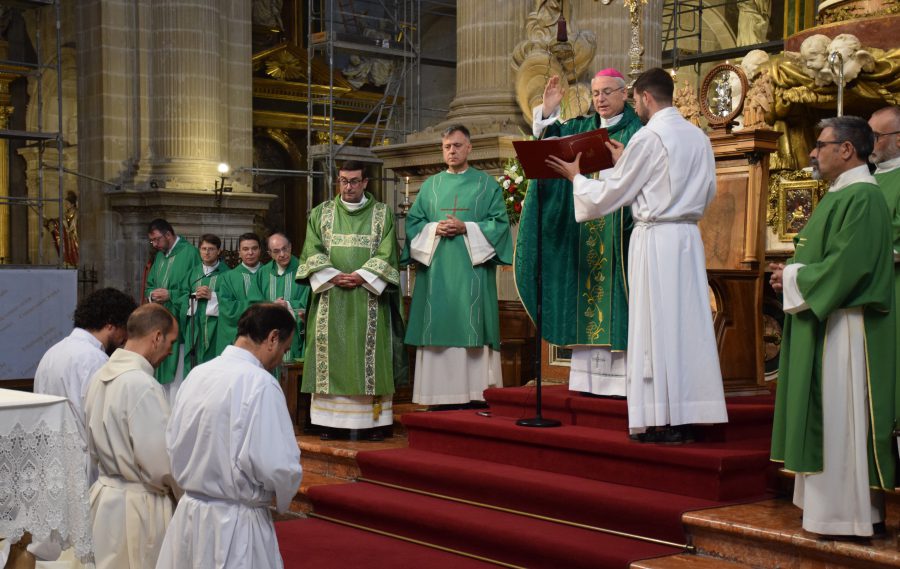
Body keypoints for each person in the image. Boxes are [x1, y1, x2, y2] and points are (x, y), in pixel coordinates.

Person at [545, 67, 728, 443]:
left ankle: (663, 419)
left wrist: (576, 178)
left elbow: (610, 195)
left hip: (655, 240)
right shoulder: (698, 137)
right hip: (687, 240)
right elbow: (707, 191)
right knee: (686, 328)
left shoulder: (650, 136)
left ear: (644, 97)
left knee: (656, 328)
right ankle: (691, 414)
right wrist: (631, 160)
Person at [769, 116, 895, 537]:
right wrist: (790, 272)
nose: (812, 152)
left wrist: (790, 278)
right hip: (828, 317)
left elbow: (849, 265)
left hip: (845, 324)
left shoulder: (862, 196)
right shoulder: (842, 192)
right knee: (832, 417)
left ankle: (847, 515)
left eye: (820, 144)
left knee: (839, 417)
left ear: (846, 149)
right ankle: (833, 511)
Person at [516, 68, 642, 397]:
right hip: (582, 235)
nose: (600, 99)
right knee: (583, 298)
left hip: (620, 236)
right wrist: (548, 110)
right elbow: (548, 143)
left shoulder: (639, 132)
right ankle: (587, 380)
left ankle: (623, 380)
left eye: (607, 92)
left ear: (624, 93)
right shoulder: (580, 128)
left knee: (618, 298)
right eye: (596, 93)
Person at [157, 303, 303, 569]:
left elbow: (172, 439)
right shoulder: (261, 384)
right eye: (285, 348)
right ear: (272, 338)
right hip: (236, 524)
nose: (282, 357)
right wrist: (283, 495)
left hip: (190, 514)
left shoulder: (197, 374)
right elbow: (278, 465)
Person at [403, 125, 512, 409]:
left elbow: (500, 225)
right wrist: (433, 228)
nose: (452, 151)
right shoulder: (431, 186)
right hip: (436, 272)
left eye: (457, 146)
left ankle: (475, 394)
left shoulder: (486, 185)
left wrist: (467, 227)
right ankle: (437, 396)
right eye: (447, 146)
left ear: (469, 148)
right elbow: (413, 224)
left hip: (471, 271)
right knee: (436, 324)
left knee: (471, 322)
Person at [296, 161, 405, 441]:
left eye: (355, 181)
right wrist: (333, 276)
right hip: (330, 299)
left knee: (368, 355)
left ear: (365, 182)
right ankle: (329, 423)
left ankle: (372, 423)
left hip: (369, 298)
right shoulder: (321, 214)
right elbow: (311, 250)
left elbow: (388, 252)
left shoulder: (383, 214)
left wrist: (360, 276)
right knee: (330, 356)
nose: (349, 187)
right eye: (344, 181)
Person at [28, 287, 137, 564]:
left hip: (49, 456)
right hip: (79, 461)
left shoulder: (54, 351)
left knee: (51, 546)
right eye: (124, 330)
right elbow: (99, 417)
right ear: (111, 325)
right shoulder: (95, 360)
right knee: (77, 551)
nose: (124, 340)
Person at [84, 303, 182, 569]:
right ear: (157, 337)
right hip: (140, 507)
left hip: (104, 500)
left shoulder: (100, 375)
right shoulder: (142, 384)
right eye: (171, 341)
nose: (171, 350)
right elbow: (161, 462)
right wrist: (184, 494)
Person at [144, 218, 200, 394]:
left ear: (168, 234)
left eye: (157, 239)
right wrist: (152, 294)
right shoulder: (160, 256)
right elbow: (150, 283)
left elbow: (197, 289)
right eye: (151, 241)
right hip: (160, 323)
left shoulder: (190, 254)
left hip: (180, 324)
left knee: (177, 385)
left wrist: (171, 295)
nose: (154, 244)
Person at [257, 232, 310, 363]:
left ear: (290, 247)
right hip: (268, 335)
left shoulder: (304, 270)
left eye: (285, 249)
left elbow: (309, 302)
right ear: (270, 254)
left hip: (295, 334)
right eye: (276, 251)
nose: (282, 254)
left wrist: (288, 305)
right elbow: (254, 303)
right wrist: (270, 306)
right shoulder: (262, 273)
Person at [183, 233, 230, 375]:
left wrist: (213, 296)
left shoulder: (227, 274)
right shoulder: (192, 273)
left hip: (216, 329)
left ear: (219, 251)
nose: (207, 252)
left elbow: (231, 301)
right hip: (195, 327)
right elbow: (181, 296)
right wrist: (193, 296)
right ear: (199, 250)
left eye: (211, 249)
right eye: (203, 248)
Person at [217, 232, 265, 351]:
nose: (250, 253)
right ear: (239, 252)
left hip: (265, 335)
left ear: (260, 250)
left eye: (254, 248)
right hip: (239, 337)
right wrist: (259, 307)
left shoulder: (270, 274)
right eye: (245, 249)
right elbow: (227, 308)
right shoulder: (228, 277)